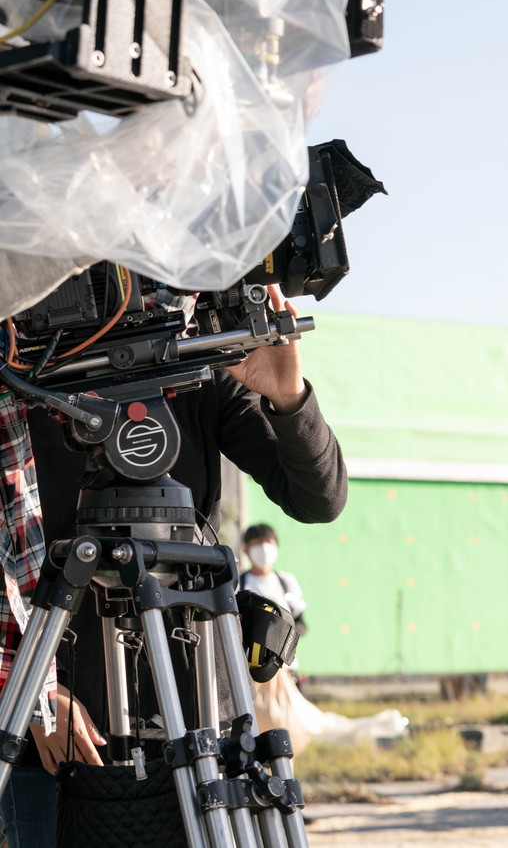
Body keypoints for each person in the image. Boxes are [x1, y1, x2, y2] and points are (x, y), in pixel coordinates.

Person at [0, 289, 347, 848]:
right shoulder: (18, 377)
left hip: (199, 709)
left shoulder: (193, 367)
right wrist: (35, 695)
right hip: (57, 732)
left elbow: (319, 498)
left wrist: (287, 396)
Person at [239, 523, 308, 637]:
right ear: (245, 548)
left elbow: (300, 624)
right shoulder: (236, 584)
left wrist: (284, 635)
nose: (264, 548)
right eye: (258, 543)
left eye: (269, 542)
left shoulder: (287, 581)